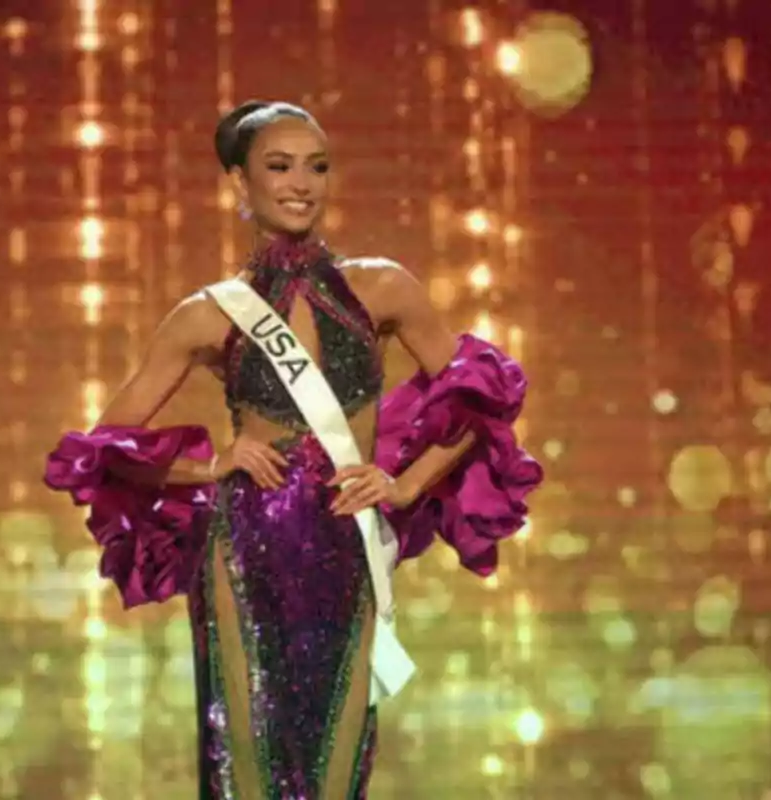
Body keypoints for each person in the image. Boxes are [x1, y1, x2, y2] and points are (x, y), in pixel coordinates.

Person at [44, 100, 543, 799]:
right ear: (239, 184)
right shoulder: (210, 313)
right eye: (278, 166)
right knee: (249, 750)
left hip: (348, 539)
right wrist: (211, 466)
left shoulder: (383, 287)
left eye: (317, 166)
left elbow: (480, 397)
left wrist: (403, 485)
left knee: (338, 747)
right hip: (243, 545)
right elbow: (98, 450)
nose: (301, 183)